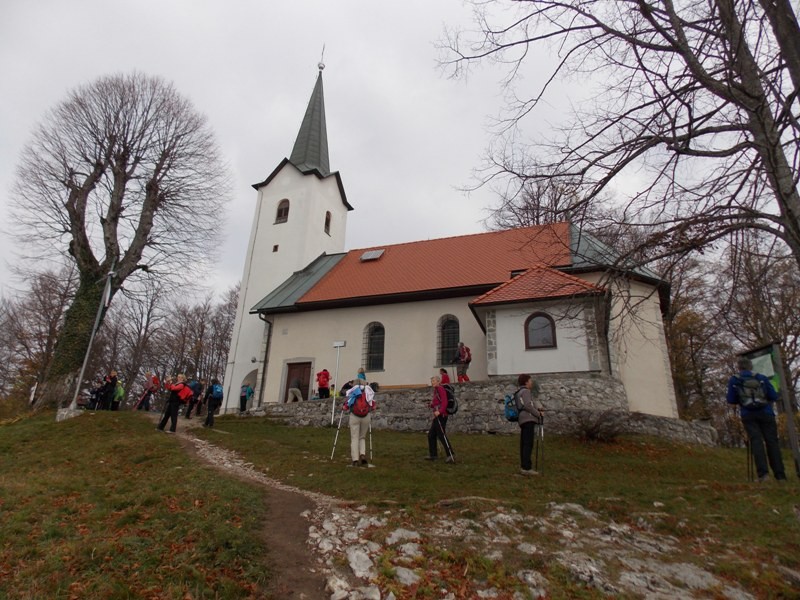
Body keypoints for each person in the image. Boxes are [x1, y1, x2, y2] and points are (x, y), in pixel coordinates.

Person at [726, 357, 786, 482]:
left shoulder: (735, 380)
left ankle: (763, 475)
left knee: (756, 442)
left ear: (739, 367)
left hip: (748, 414)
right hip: (766, 413)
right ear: (750, 366)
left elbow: (731, 399)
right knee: (772, 442)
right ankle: (780, 475)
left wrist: (743, 400)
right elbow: (773, 395)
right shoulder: (761, 378)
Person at [516, 373, 545, 476]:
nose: (531, 382)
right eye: (530, 381)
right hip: (528, 419)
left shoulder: (519, 392)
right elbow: (528, 405)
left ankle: (524, 466)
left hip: (522, 419)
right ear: (526, 382)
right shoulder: (526, 392)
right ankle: (527, 468)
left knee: (524, 444)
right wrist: (538, 414)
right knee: (528, 444)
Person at [344, 380, 376, 466]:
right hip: (366, 417)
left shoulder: (353, 391)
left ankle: (355, 460)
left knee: (354, 438)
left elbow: (346, 406)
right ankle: (362, 454)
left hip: (354, 417)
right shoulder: (368, 391)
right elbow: (373, 406)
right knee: (362, 437)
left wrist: (344, 407)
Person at [425, 375, 455, 463]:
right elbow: (436, 402)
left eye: (434, 381)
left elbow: (445, 402)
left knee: (441, 435)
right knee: (431, 435)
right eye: (432, 381)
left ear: (438, 381)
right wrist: (430, 405)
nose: (432, 382)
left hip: (441, 416)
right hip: (437, 416)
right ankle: (433, 455)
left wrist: (440, 411)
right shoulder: (436, 390)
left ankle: (450, 454)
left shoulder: (441, 389)